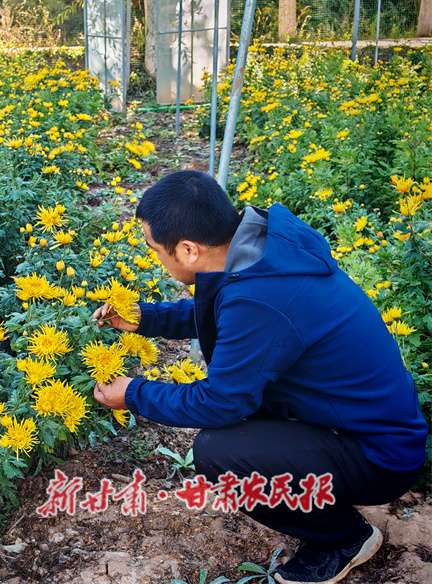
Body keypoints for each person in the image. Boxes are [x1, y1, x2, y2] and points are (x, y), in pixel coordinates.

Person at [92, 170, 428, 584]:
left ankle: (343, 539)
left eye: (156, 250)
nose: (156, 259)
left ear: (188, 249)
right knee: (240, 429)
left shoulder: (262, 297)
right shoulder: (261, 251)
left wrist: (134, 393)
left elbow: (222, 402)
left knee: (221, 453)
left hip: (379, 457)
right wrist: (146, 317)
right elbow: (230, 318)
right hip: (355, 424)